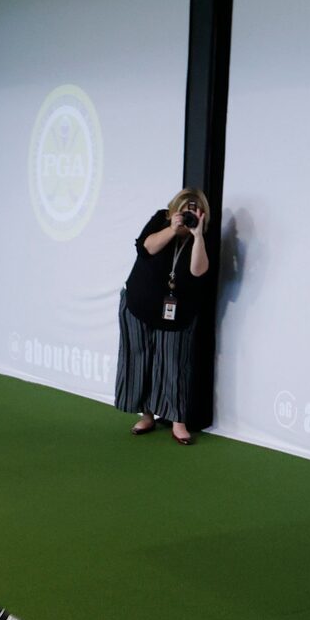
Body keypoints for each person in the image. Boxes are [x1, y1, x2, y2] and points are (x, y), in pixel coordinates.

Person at [116, 187, 216, 444]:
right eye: (184, 209)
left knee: (175, 365)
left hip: (177, 314)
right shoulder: (161, 219)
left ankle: (178, 421)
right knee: (139, 360)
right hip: (139, 305)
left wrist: (197, 235)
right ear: (174, 208)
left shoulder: (202, 236)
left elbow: (198, 271)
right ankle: (147, 415)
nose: (188, 214)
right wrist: (173, 228)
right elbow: (145, 247)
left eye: (194, 209)